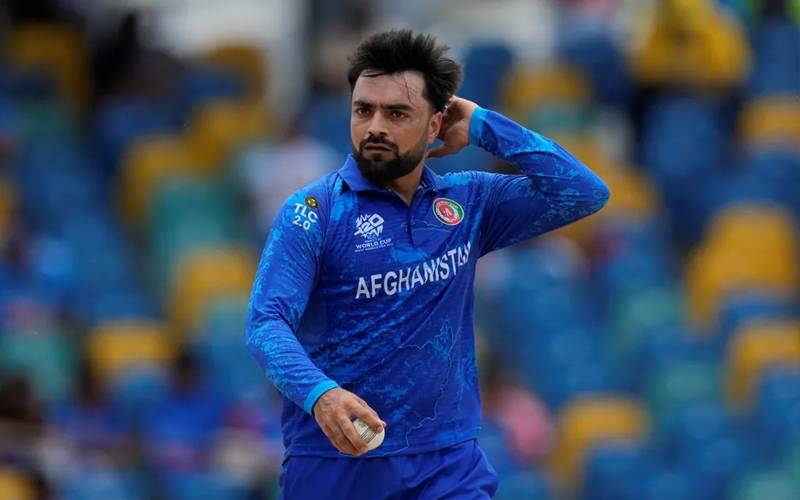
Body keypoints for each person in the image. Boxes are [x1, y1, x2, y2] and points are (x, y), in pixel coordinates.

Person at [246, 29, 609, 499]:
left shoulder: (469, 201)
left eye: (397, 113)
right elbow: (266, 323)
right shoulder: (314, 212)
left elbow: (583, 192)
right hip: (337, 463)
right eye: (363, 110)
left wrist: (481, 123)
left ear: (436, 124)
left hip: (448, 464)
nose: (375, 127)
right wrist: (321, 395)